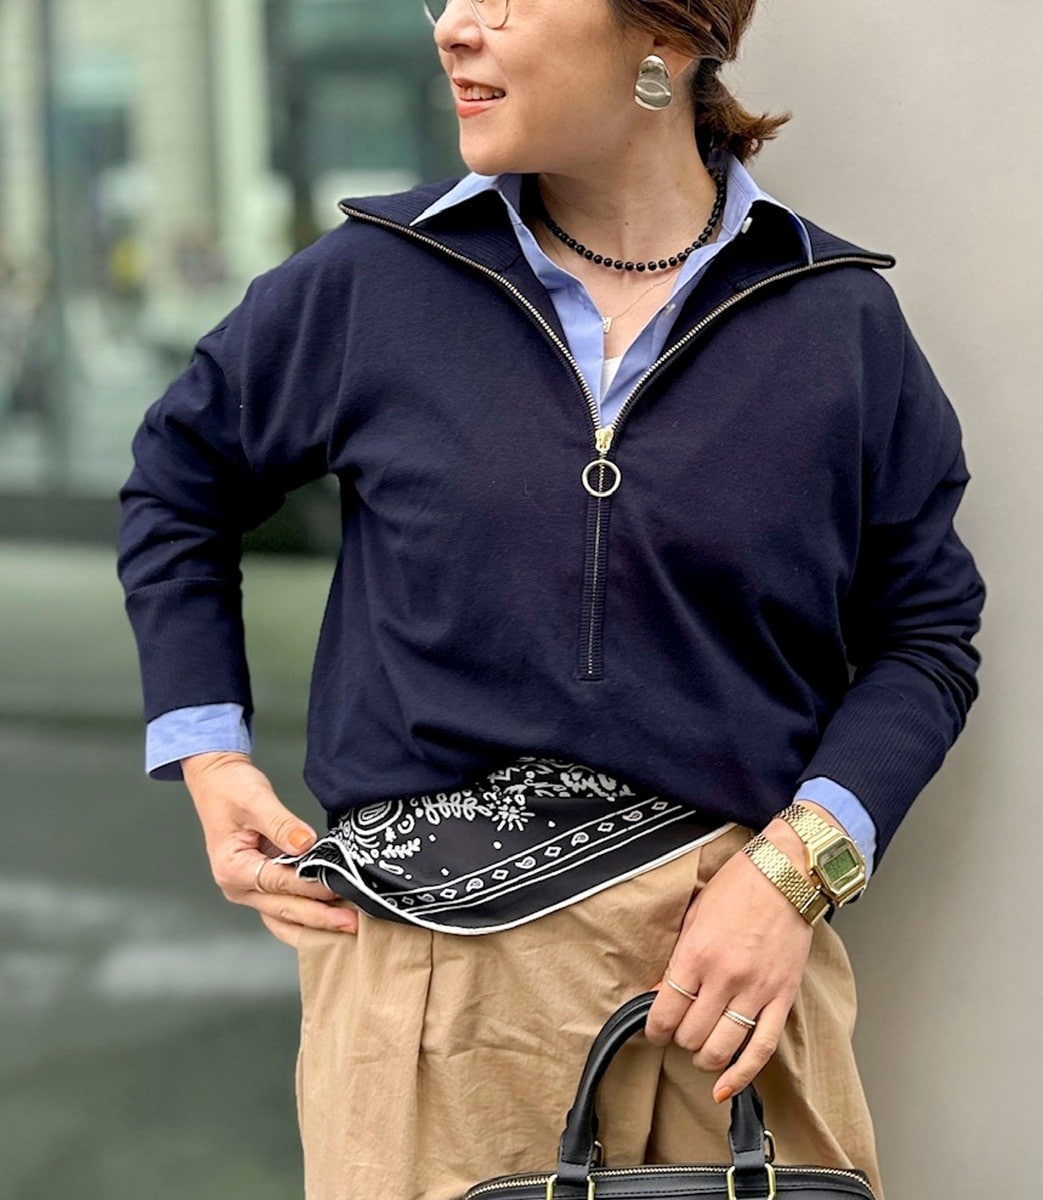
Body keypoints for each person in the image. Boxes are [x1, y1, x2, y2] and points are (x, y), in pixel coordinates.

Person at [115, 0, 985, 1197]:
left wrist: (799, 874)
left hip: (724, 1004)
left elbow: (926, 635)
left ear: (664, 35)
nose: (455, 28)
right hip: (437, 1008)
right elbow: (180, 478)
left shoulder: (835, 319)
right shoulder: (378, 282)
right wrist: (211, 756)